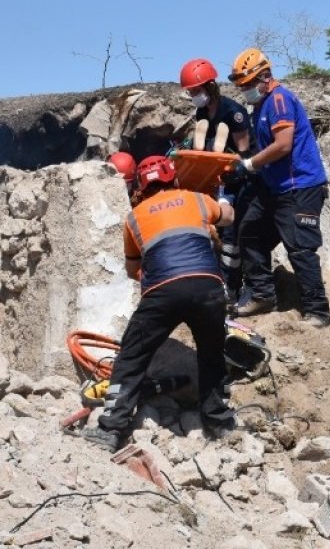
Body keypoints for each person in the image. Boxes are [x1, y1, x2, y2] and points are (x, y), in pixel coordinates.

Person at [82, 155, 237, 451]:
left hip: (163, 290)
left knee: (131, 356)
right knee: (211, 354)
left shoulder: (134, 217)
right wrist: (225, 195)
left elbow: (131, 270)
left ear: (141, 186)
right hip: (207, 285)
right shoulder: (197, 199)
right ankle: (220, 423)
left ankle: (111, 428)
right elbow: (228, 217)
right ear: (173, 178)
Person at [223, 48, 330, 328]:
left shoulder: (280, 99)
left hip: (300, 186)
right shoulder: (260, 106)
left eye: (247, 84)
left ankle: (317, 311)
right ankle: (262, 294)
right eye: (241, 86)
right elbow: (261, 148)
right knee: (250, 232)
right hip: (275, 188)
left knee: (300, 247)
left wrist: (248, 165)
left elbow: (283, 145)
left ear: (265, 76)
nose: (244, 90)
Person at [180, 58, 252, 304]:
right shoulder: (201, 112)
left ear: (210, 87)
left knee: (231, 237)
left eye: (196, 91)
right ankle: (215, 284)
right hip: (210, 180)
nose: (193, 95)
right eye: (191, 92)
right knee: (212, 234)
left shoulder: (234, 113)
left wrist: (235, 171)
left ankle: (233, 289)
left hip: (233, 181)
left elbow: (245, 153)